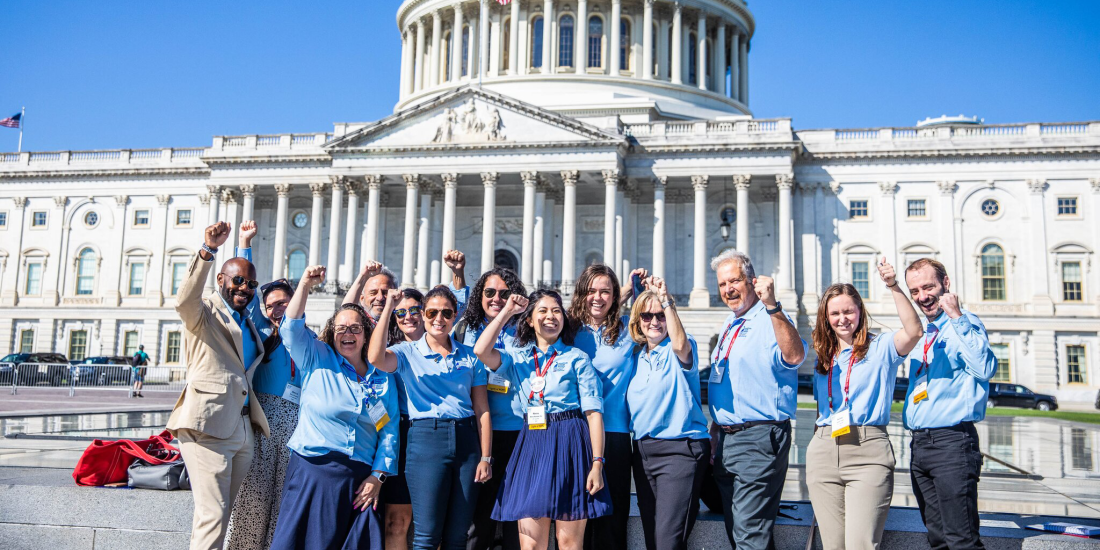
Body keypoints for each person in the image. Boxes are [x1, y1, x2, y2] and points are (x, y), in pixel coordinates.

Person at [269, 265, 398, 550]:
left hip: (360, 481)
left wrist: (378, 477)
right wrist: (304, 284)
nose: (347, 334)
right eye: (341, 329)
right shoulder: (317, 357)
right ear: (332, 332)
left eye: (355, 328)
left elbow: (389, 431)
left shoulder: (382, 376)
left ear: (366, 334)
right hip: (313, 471)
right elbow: (291, 329)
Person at [474, 291, 611, 550]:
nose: (551, 316)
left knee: (569, 542)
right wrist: (507, 312)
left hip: (570, 442)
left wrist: (597, 463)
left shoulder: (577, 358)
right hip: (532, 444)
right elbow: (481, 350)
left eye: (557, 311)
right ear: (529, 320)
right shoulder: (518, 357)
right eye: (543, 311)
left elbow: (593, 415)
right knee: (531, 544)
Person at [806, 258, 923, 550]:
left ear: (860, 311)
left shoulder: (881, 346)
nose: (842, 318)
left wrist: (893, 286)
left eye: (848, 311)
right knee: (833, 547)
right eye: (835, 313)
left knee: (860, 546)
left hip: (868, 451)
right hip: (823, 449)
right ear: (826, 317)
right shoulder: (823, 354)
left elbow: (914, 332)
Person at [168, 221, 269, 550]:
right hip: (207, 423)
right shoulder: (203, 312)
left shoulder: (247, 319)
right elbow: (184, 299)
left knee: (221, 514)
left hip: (241, 429)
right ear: (220, 280)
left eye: (251, 283)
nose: (245, 288)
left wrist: (244, 242)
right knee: (212, 514)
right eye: (237, 281)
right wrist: (208, 249)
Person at [368, 287, 492, 550]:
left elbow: (482, 410)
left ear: (455, 315)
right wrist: (389, 307)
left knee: (458, 535)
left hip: (467, 442)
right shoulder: (406, 351)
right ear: (423, 315)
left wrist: (485, 457)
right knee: (426, 535)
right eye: (432, 312)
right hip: (425, 439)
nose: (439, 318)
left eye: (446, 312)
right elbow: (376, 358)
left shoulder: (470, 356)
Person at [707, 249, 806, 550]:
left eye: (734, 281)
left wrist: (773, 306)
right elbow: (723, 381)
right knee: (741, 531)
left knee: (749, 535)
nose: (728, 289)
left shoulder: (770, 316)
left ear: (751, 280)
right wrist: (715, 430)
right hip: (727, 440)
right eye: (723, 284)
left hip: (759, 437)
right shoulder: (730, 323)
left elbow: (795, 356)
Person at [902, 258, 997, 550]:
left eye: (928, 287)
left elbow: (984, 369)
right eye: (914, 291)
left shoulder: (964, 322)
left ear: (946, 283)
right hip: (921, 446)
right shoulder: (923, 334)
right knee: (938, 539)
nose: (922, 297)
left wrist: (956, 318)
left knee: (961, 540)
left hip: (952, 444)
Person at [226, 221, 305, 550]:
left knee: (283, 501)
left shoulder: (306, 340)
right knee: (252, 497)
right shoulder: (259, 329)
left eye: (284, 303)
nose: (277, 309)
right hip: (262, 424)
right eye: (272, 304)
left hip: (296, 429)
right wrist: (244, 242)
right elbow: (239, 290)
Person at [625, 280, 710, 550]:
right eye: (647, 316)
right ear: (638, 321)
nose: (654, 321)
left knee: (667, 542)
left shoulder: (681, 347)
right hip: (643, 453)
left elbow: (680, 344)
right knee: (654, 539)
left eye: (660, 315)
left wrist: (667, 301)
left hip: (680, 451)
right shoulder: (636, 356)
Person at [569, 264, 645, 550]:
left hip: (614, 434)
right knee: (574, 521)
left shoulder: (628, 330)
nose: (597, 297)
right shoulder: (568, 330)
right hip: (574, 433)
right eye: (591, 291)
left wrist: (630, 289)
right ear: (581, 294)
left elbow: (654, 319)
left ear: (615, 296)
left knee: (612, 522)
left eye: (605, 292)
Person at [456, 267, 527, 550]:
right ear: (479, 295)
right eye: (489, 292)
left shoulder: (524, 329)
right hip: (478, 432)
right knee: (479, 518)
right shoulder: (465, 329)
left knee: (516, 515)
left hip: (518, 430)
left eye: (504, 293)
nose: (497, 298)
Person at [380, 287, 425, 550]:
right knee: (396, 522)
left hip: (433, 435)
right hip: (399, 435)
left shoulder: (447, 346)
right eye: (401, 312)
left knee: (432, 525)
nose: (408, 316)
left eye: (415, 310)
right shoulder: (390, 352)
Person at [346, 250, 467, 318]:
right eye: (373, 292)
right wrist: (363, 276)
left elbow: (457, 309)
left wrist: (457, 272)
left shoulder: (408, 321)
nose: (379, 298)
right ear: (362, 299)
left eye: (385, 292)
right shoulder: (359, 326)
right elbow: (345, 310)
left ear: (397, 294)